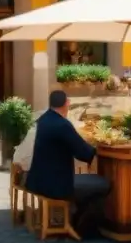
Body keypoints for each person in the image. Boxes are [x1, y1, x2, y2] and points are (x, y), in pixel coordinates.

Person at [24, 91, 111, 234]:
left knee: (90, 182)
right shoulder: (63, 125)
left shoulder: (44, 119)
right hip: (56, 185)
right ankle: (82, 226)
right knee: (104, 184)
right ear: (66, 104)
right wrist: (97, 148)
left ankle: (76, 219)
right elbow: (83, 152)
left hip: (39, 180)